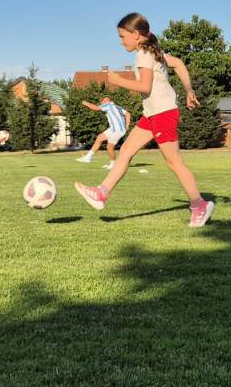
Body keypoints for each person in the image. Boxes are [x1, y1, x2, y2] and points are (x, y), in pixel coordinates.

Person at [74, 13, 215, 227]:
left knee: (174, 162)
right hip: (152, 114)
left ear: (136, 35)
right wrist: (188, 90)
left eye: (122, 37)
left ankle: (199, 205)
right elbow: (178, 64)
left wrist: (119, 81)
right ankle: (101, 194)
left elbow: (145, 87)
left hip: (163, 114)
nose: (121, 42)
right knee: (126, 151)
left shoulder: (143, 54)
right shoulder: (153, 51)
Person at [77, 95, 131, 166]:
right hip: (114, 129)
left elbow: (95, 108)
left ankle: (113, 164)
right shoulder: (118, 107)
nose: (101, 103)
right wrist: (126, 126)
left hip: (117, 130)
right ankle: (88, 157)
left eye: (102, 101)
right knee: (99, 138)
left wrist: (86, 103)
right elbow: (128, 114)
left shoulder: (108, 104)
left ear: (106, 100)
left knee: (109, 147)